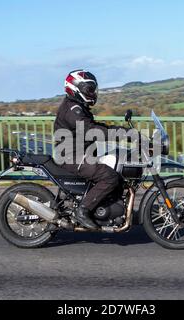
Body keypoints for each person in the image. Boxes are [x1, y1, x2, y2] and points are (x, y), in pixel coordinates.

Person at [54, 70, 127, 229]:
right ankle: (82, 211)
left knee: (118, 171)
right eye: (89, 89)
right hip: (72, 156)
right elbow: (89, 130)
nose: (93, 93)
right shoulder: (73, 109)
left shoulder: (78, 107)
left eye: (93, 89)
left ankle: (111, 209)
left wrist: (121, 130)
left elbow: (95, 127)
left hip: (80, 153)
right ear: (76, 88)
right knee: (109, 177)